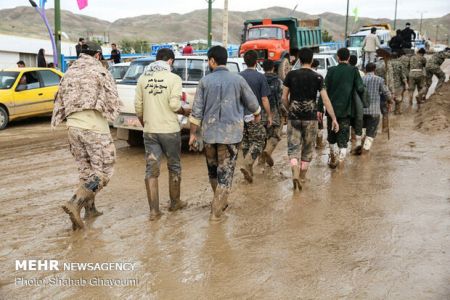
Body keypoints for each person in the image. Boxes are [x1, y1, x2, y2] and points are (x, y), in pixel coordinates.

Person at [51, 41, 121, 230]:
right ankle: (75, 202)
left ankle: (89, 210)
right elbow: (112, 99)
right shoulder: (100, 71)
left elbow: (58, 100)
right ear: (97, 55)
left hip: (73, 127)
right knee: (104, 171)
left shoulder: (69, 72)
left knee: (86, 170)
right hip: (94, 127)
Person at [188, 46, 261, 220]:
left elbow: (196, 112)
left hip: (209, 135)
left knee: (213, 172)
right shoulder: (238, 80)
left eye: (208, 60)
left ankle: (219, 202)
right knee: (225, 176)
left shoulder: (204, 82)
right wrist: (257, 115)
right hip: (231, 136)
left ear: (212, 61)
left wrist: (192, 135)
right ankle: (216, 212)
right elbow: (253, 105)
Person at [135, 48, 191, 220]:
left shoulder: (143, 78)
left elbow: (138, 107)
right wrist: (185, 111)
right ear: (170, 61)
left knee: (151, 169)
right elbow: (174, 105)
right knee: (174, 166)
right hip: (169, 131)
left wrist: (146, 123)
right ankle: (175, 203)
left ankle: (154, 211)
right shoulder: (174, 78)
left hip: (150, 130)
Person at [283, 48, 338, 190]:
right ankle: (301, 176)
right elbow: (325, 100)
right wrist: (333, 118)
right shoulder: (318, 77)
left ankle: (294, 171)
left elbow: (284, 98)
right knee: (307, 150)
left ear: (299, 60)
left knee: (293, 147)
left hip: (294, 117)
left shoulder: (290, 75)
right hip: (310, 118)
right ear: (312, 60)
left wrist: (289, 109)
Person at [324, 48, 365, 168]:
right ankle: (340, 163)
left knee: (331, 138)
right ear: (348, 58)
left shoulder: (331, 70)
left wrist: (320, 108)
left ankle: (332, 157)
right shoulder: (353, 70)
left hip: (331, 112)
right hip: (346, 112)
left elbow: (323, 90)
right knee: (343, 140)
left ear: (338, 57)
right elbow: (360, 88)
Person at [239, 50, 272, 183]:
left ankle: (249, 173)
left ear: (245, 61)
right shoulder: (260, 77)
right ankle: (247, 164)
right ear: (257, 61)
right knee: (258, 142)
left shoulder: (238, 76)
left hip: (240, 116)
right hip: (255, 115)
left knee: (246, 143)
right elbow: (264, 99)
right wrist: (269, 115)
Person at [358, 63, 391, 154]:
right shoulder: (379, 80)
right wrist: (390, 101)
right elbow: (386, 93)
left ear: (365, 70)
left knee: (363, 129)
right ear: (374, 70)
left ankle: (361, 144)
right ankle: (365, 151)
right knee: (371, 131)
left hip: (362, 110)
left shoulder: (360, 79)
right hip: (374, 111)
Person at [260, 59, 284, 167]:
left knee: (262, 138)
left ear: (263, 68)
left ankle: (260, 163)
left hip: (260, 113)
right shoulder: (278, 81)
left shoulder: (259, 79)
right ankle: (268, 151)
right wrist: (284, 112)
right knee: (275, 135)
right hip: (274, 113)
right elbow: (280, 99)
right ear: (273, 68)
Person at [349, 54, 365, 154]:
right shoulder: (361, 73)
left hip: (348, 101)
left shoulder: (347, 72)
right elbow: (361, 88)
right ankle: (357, 142)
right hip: (358, 101)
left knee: (349, 121)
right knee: (357, 121)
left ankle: (353, 142)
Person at [312, 59, 325, 148]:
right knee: (320, 123)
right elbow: (323, 92)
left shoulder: (300, 75)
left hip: (305, 104)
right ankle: (319, 143)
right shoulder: (319, 76)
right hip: (317, 103)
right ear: (317, 66)